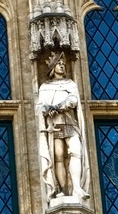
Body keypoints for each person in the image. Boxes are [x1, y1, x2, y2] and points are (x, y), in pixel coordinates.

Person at [37, 53, 89, 201]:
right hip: (54, 125)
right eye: (58, 63)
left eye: (63, 63)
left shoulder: (70, 84)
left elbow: (73, 100)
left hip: (69, 121)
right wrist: (48, 108)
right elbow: (40, 107)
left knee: (75, 151)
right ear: (53, 67)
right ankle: (61, 189)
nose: (61, 65)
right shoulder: (45, 87)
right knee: (58, 156)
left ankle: (77, 187)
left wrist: (59, 106)